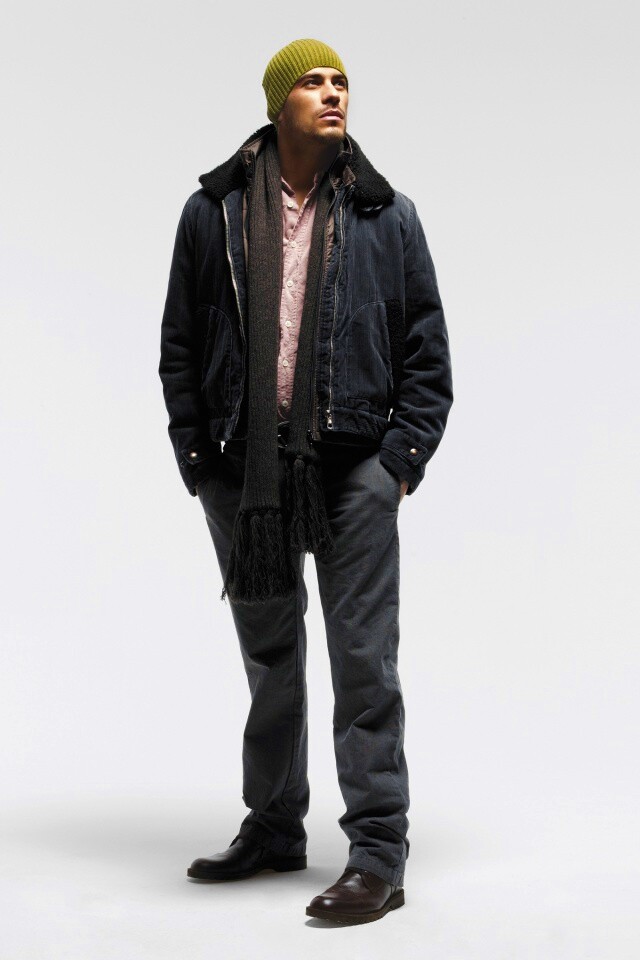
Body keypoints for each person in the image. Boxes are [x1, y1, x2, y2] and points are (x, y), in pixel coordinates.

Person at [158, 37, 453, 925]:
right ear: (277, 102)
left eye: (341, 82)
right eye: (314, 82)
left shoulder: (386, 214)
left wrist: (397, 465)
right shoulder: (211, 213)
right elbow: (179, 344)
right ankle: (275, 825)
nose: (333, 93)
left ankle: (378, 854)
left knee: (364, 661)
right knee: (271, 658)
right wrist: (198, 461)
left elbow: (427, 353)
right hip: (243, 473)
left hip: (354, 467)